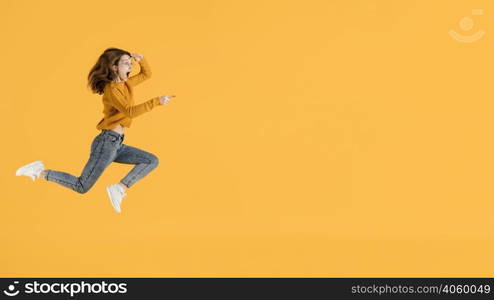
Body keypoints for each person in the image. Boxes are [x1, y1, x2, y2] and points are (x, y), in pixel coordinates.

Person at [15, 47, 176, 213]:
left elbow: (146, 75)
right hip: (107, 143)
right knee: (81, 186)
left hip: (117, 144)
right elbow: (129, 111)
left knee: (151, 160)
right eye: (126, 63)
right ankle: (39, 171)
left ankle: (119, 188)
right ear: (114, 67)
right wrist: (156, 101)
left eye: (131, 63)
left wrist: (141, 59)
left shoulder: (125, 84)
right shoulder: (112, 90)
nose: (130, 67)